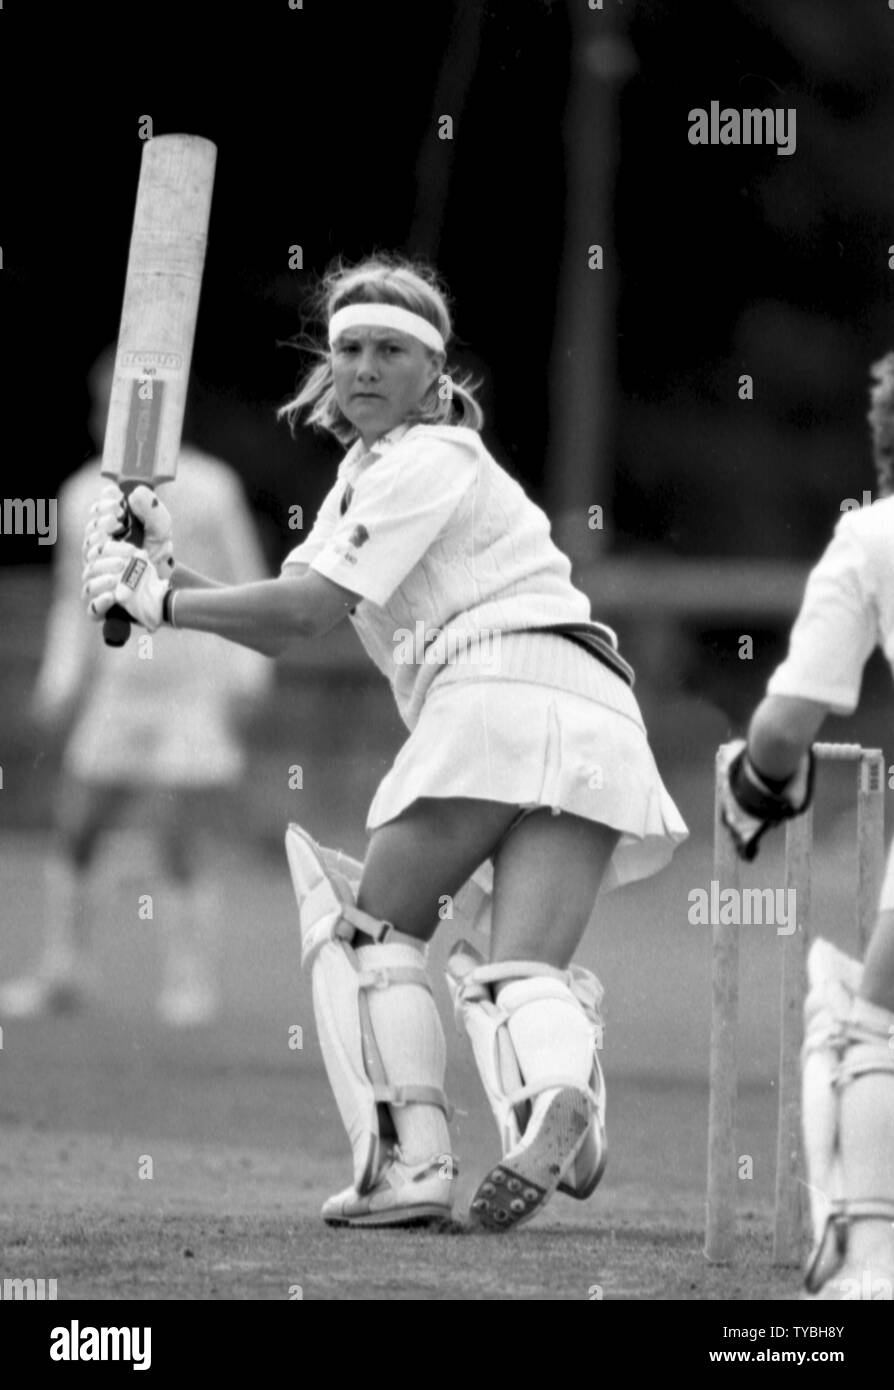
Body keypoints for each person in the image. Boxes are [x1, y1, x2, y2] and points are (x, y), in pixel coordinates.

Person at [81, 255, 687, 1229]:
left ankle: (412, 1171)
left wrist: (160, 603)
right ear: (331, 365)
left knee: (369, 931)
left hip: (493, 694)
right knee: (517, 969)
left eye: (391, 351)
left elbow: (304, 616)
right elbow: (277, 598)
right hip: (595, 708)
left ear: (435, 373)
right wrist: (158, 563)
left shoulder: (424, 460)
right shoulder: (376, 473)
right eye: (351, 348)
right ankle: (563, 1092)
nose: (365, 367)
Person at [0, 349, 270, 1027]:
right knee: (78, 825)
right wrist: (60, 682)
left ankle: (188, 984)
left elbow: (244, 579)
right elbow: (73, 598)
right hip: (118, 689)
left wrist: (249, 672)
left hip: (191, 686)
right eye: (102, 403)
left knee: (178, 836)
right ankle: (64, 971)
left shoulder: (211, 486)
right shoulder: (79, 492)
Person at [718, 352, 894, 1300]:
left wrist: (755, 790)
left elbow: (787, 726)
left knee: (879, 1022)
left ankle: (873, 1259)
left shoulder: (871, 536)